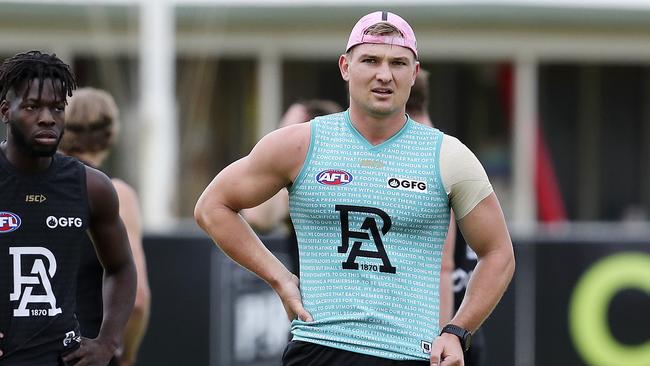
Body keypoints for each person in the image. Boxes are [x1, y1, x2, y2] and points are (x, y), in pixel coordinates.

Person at [195, 11, 515, 366]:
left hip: (410, 353)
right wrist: (280, 278)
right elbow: (212, 206)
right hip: (318, 346)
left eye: (397, 63)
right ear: (345, 67)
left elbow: (498, 253)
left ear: (413, 72)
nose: (384, 74)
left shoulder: (449, 156)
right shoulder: (301, 144)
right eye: (370, 60)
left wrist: (457, 331)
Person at [0, 50, 136, 366]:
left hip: (60, 358)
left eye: (57, 108)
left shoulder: (93, 186)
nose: (47, 118)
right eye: (32, 107)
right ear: (6, 111)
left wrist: (108, 343)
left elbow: (122, 268)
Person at [58, 87, 151, 366]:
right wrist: (125, 355)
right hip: (90, 353)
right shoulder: (117, 194)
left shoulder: (34, 187)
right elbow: (137, 300)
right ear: (111, 135)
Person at [406, 70, 486, 365]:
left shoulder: (426, 153)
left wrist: (441, 338)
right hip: (463, 326)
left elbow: (444, 266)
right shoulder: (450, 148)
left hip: (441, 336)